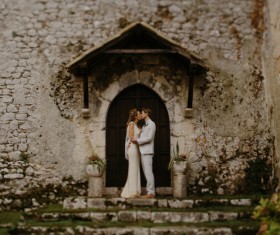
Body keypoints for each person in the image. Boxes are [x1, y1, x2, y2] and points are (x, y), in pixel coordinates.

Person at [131, 108, 156, 199]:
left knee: (148, 172)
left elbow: (149, 138)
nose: (141, 115)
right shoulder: (145, 125)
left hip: (148, 151)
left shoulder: (152, 124)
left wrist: (137, 140)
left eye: (142, 113)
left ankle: (151, 192)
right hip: (143, 151)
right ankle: (150, 191)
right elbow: (144, 135)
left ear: (146, 114)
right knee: (146, 172)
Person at [121, 108, 142, 198]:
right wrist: (141, 141)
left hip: (136, 148)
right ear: (135, 116)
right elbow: (131, 138)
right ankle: (132, 191)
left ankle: (136, 190)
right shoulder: (131, 124)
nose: (140, 114)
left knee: (136, 168)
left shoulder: (137, 125)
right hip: (133, 148)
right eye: (139, 114)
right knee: (133, 168)